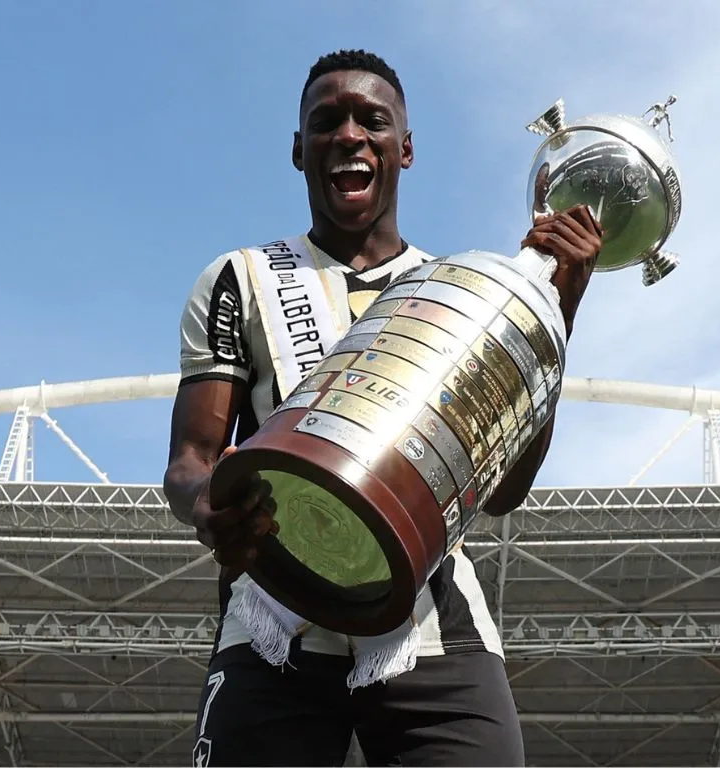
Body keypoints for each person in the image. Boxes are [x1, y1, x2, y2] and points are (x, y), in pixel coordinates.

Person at [164, 49, 603, 767]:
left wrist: (554, 312)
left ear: (405, 149)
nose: (349, 135)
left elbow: (503, 493)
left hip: (431, 629)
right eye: (326, 121)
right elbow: (189, 464)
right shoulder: (238, 280)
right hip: (273, 619)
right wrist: (206, 506)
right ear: (299, 149)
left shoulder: (459, 291)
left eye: (372, 121)